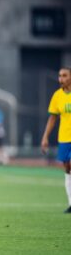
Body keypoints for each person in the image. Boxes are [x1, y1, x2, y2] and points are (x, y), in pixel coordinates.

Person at [42, 67, 71, 213]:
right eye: (60, 76)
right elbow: (53, 118)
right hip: (64, 137)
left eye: (64, 75)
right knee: (67, 167)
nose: (61, 79)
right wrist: (45, 137)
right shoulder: (57, 96)